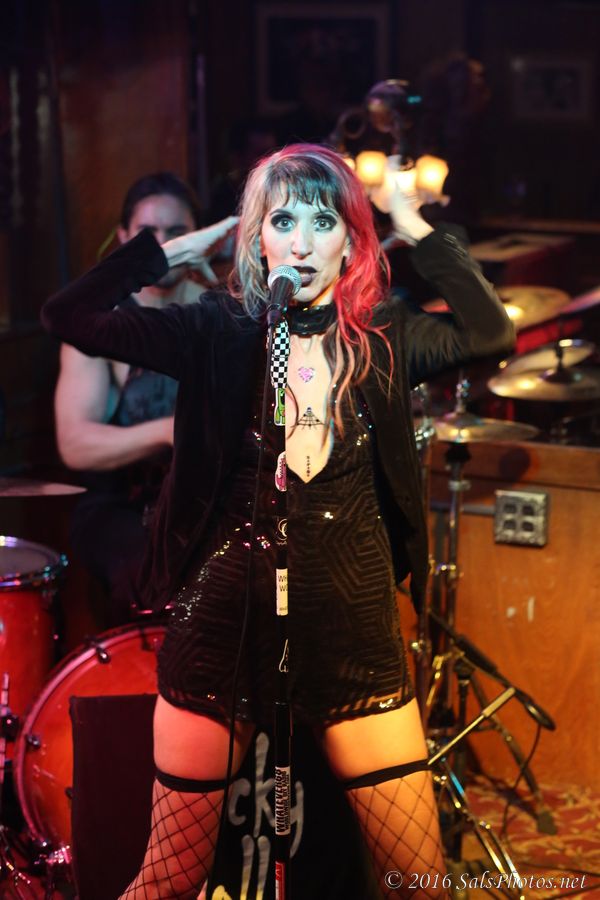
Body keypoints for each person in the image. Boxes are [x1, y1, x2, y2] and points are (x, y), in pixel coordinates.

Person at [42, 143, 514, 899]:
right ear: (257, 236)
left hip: (354, 630)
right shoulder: (218, 330)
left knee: (420, 882)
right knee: (169, 880)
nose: (302, 241)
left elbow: (490, 334)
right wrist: (173, 251)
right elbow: (68, 315)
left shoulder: (384, 335)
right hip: (223, 628)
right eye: (283, 220)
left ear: (351, 242)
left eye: (324, 222)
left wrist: (413, 225)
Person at [53, 172, 206, 626]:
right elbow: (75, 444)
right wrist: (167, 432)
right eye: (148, 233)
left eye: (176, 232)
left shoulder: (218, 314)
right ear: (125, 239)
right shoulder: (98, 326)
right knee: (151, 571)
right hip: (121, 508)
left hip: (201, 506)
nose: (163, 244)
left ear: (199, 236)